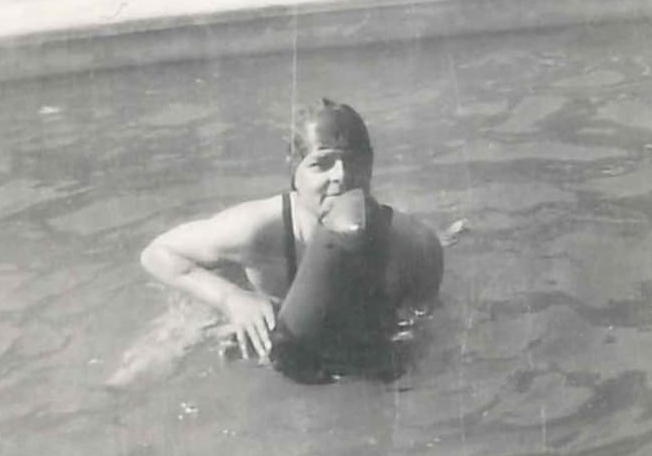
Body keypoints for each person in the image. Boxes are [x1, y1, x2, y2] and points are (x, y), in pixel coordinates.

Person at [140, 99, 443, 370]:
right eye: (321, 164)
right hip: (242, 299)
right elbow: (156, 253)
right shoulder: (255, 229)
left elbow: (422, 320)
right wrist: (230, 299)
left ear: (371, 165)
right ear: (294, 172)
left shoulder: (412, 245)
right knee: (148, 363)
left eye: (353, 161)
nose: (341, 175)